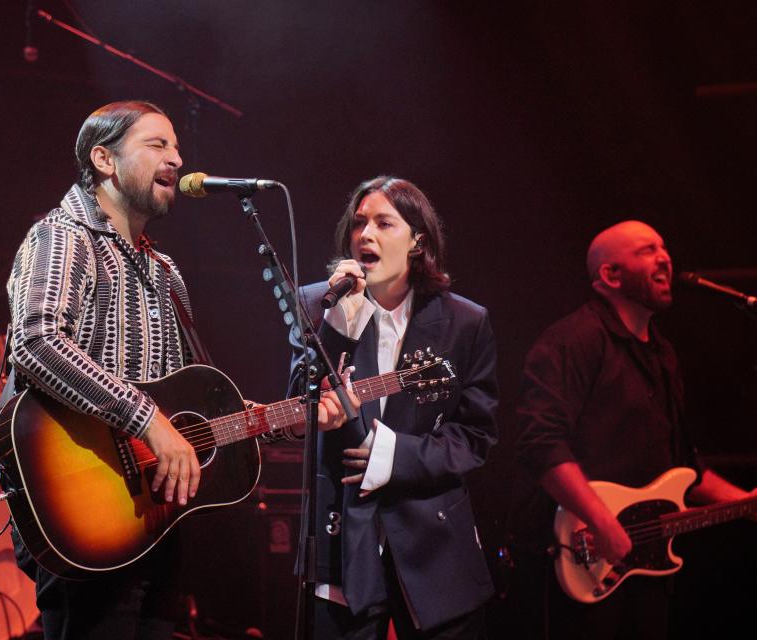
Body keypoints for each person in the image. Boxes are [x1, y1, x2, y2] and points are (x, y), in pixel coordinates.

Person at [0, 100, 204, 640]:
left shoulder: (166, 269)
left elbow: (181, 393)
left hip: (151, 510)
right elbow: (36, 342)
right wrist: (148, 420)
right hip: (83, 499)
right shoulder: (64, 236)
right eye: (158, 145)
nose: (176, 159)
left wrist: (275, 419)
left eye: (177, 146)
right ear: (104, 160)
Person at [506, 220, 755, 639]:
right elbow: (540, 442)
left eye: (663, 247)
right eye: (646, 250)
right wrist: (601, 521)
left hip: (643, 568)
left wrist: (745, 502)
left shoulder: (663, 354)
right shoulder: (573, 341)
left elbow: (683, 465)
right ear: (610, 275)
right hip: (580, 559)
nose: (665, 258)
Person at [289, 176, 499, 639]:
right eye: (359, 223)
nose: (366, 235)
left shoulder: (464, 322)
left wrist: (393, 456)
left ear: (416, 239)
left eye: (384, 223)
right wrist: (340, 324)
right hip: (342, 543)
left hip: (435, 546)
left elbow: (475, 436)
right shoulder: (316, 304)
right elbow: (296, 405)